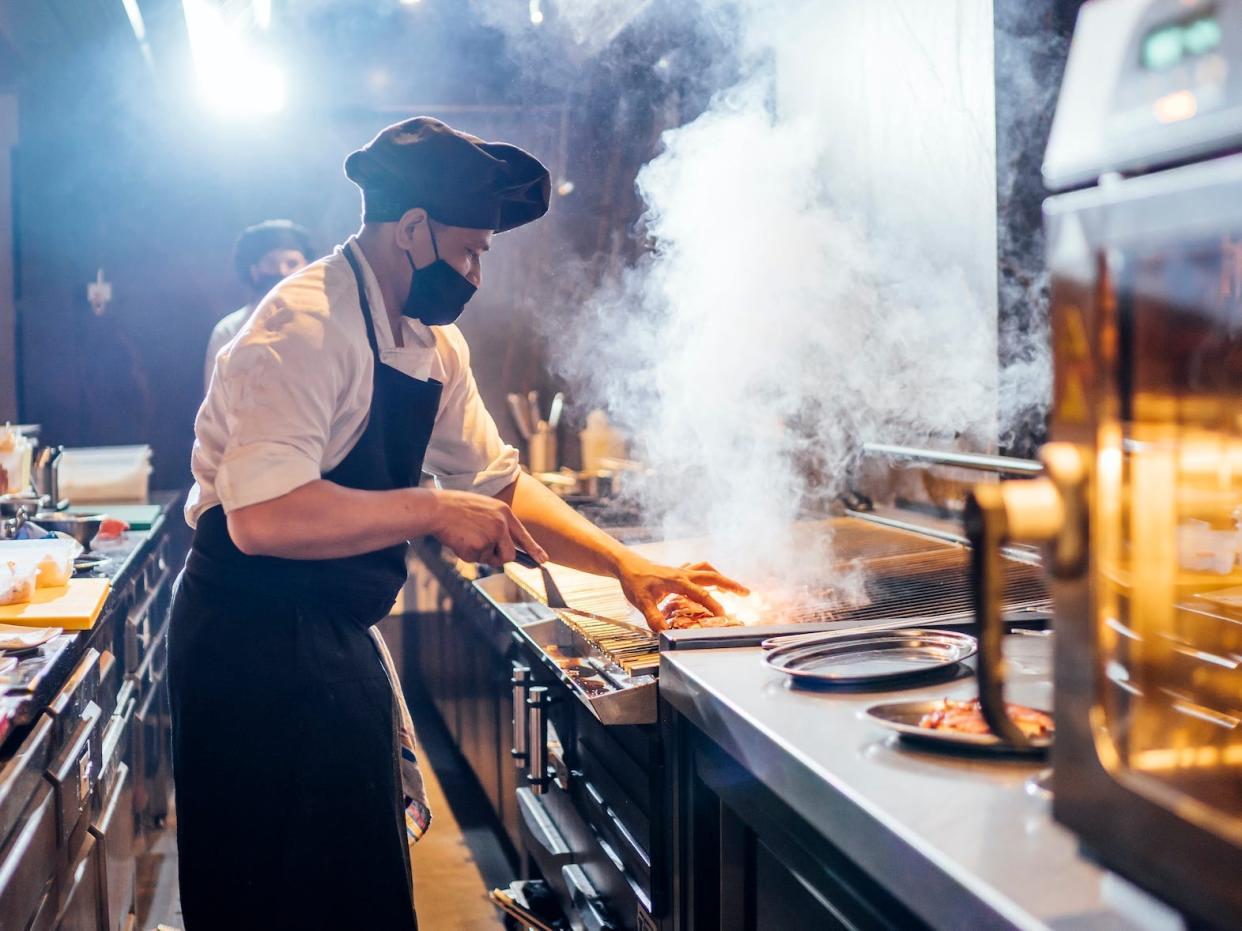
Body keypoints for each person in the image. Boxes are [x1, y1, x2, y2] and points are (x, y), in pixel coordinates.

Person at [168, 116, 746, 930]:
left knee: (359, 887)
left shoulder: (432, 342)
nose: (476, 272)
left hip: (334, 634)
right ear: (411, 231)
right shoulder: (302, 325)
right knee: (273, 897)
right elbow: (262, 516)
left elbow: (498, 479)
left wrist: (625, 565)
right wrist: (433, 510)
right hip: (250, 648)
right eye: (470, 249)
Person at [203, 219, 313, 390]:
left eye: (292, 263)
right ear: (254, 271)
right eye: (271, 263)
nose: (282, 272)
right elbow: (215, 403)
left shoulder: (325, 325)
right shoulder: (229, 331)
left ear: (307, 267)